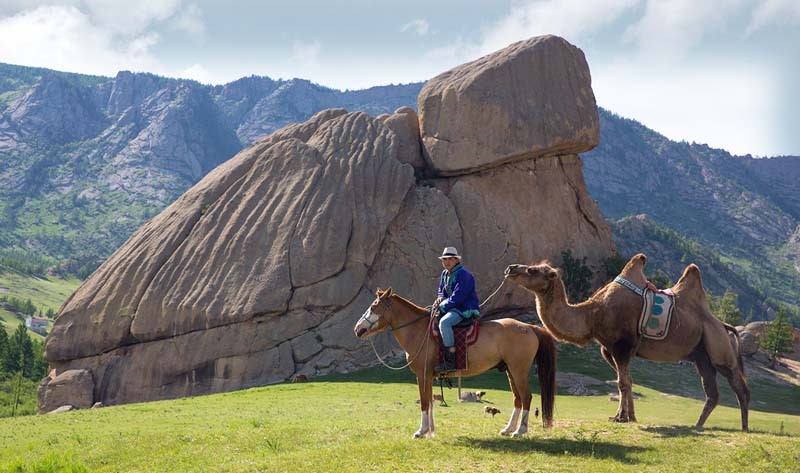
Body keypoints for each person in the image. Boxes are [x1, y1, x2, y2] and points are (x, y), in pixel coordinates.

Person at [434, 247, 480, 372]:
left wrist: (442, 305)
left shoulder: (464, 275)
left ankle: (450, 361)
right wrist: (440, 298)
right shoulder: (444, 274)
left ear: (456, 260)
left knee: (445, 322)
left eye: (450, 259)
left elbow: (458, 297)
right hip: (451, 307)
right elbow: (441, 291)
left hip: (464, 308)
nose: (447, 262)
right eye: (444, 259)